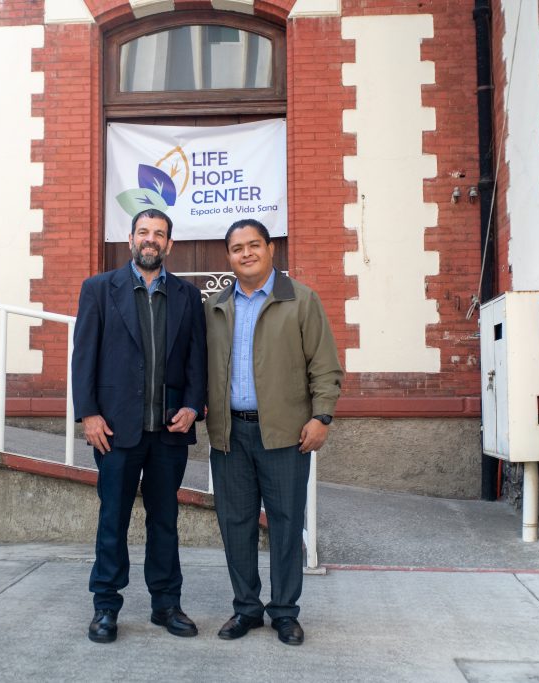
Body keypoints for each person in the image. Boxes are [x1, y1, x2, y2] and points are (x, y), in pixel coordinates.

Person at [205, 218, 344, 646]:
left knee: (285, 524)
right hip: (231, 435)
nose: (245, 254)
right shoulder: (215, 306)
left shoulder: (301, 300)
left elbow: (324, 365)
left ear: (270, 250)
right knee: (236, 524)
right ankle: (246, 609)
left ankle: (285, 612)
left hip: (285, 435)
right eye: (236, 248)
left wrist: (322, 417)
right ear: (228, 257)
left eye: (253, 245)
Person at [72, 208, 207, 644]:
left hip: (168, 431)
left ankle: (166, 604)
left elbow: (196, 360)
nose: (151, 240)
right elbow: (84, 356)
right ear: (131, 238)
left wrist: (193, 405)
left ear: (169, 245)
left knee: (164, 520)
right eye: (144, 232)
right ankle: (105, 607)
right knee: (113, 517)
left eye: (160, 234)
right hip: (115, 430)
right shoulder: (98, 289)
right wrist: (88, 413)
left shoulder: (188, 296)